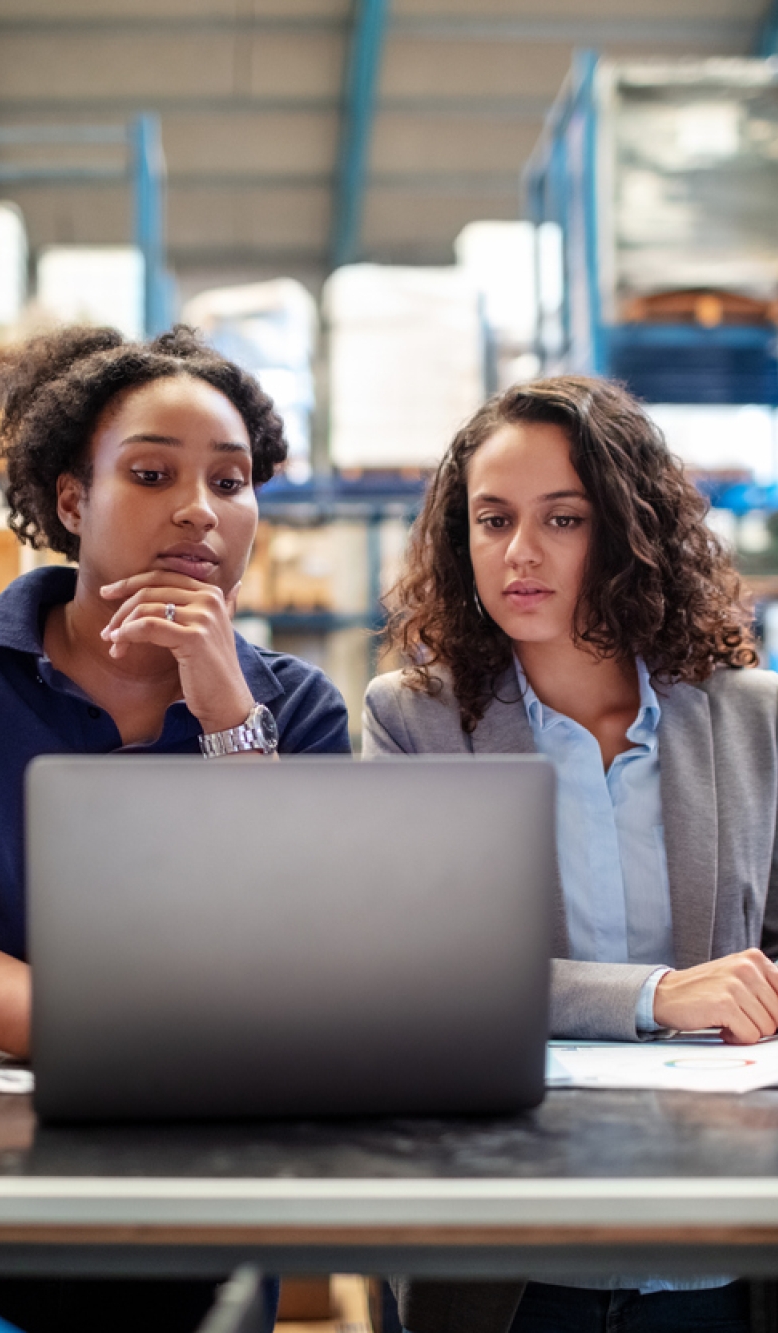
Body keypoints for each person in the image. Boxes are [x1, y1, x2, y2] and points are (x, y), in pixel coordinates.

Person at [0, 324, 351, 1333]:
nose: (199, 510)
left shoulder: (298, 706)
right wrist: (116, 1042)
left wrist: (225, 715)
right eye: (153, 473)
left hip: (206, 1165)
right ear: (72, 502)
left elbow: (305, 954)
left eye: (231, 481)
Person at [363, 376, 778, 1333]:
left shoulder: (753, 718)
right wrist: (655, 994)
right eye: (493, 518)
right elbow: (424, 979)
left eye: (563, 518)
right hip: (506, 1252)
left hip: (711, 1244)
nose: (520, 553)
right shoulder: (415, 719)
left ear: (630, 531)